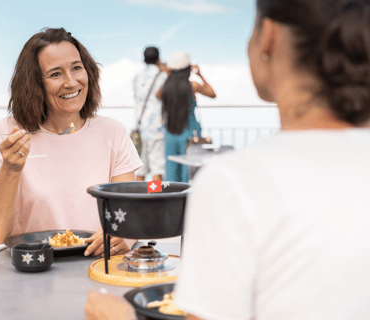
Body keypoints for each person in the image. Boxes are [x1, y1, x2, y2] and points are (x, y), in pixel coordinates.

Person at [85, 0, 370, 319]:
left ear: (268, 37)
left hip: (168, 137)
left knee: (167, 177)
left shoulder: (236, 183)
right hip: (188, 136)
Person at [0, 28, 143, 255]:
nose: (71, 82)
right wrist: (11, 169)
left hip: (95, 264)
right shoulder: (7, 133)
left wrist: (123, 236)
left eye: (76, 68)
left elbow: (126, 217)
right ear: (34, 84)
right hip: (31, 267)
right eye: (55, 74)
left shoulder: (113, 132)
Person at [157, 51, 216, 183]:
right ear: (188, 68)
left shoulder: (165, 87)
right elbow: (212, 94)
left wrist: (168, 74)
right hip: (189, 134)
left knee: (171, 174)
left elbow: (157, 95)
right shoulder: (192, 86)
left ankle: (171, 200)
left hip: (170, 134)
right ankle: (187, 202)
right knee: (188, 175)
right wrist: (200, 75)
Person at [133, 46, 167, 182]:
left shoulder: (137, 77)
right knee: (157, 170)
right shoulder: (163, 76)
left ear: (144, 59)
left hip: (141, 128)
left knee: (140, 170)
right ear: (159, 59)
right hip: (157, 128)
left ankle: (136, 198)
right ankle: (154, 199)